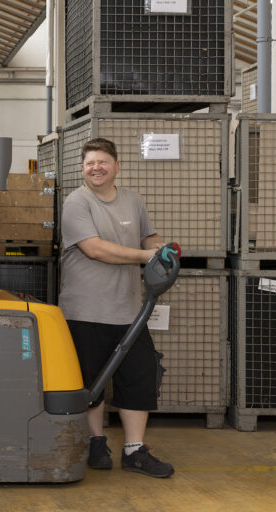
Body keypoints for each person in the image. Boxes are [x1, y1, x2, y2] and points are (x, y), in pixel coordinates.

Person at [58, 137, 174, 478]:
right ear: (82, 169)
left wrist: (160, 248)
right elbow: (95, 249)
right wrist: (147, 256)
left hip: (129, 312)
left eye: (102, 162)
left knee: (139, 378)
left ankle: (134, 450)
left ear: (116, 167)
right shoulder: (76, 202)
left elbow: (148, 237)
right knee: (90, 382)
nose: (96, 168)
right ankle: (96, 443)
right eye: (90, 163)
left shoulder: (133, 200)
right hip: (86, 311)